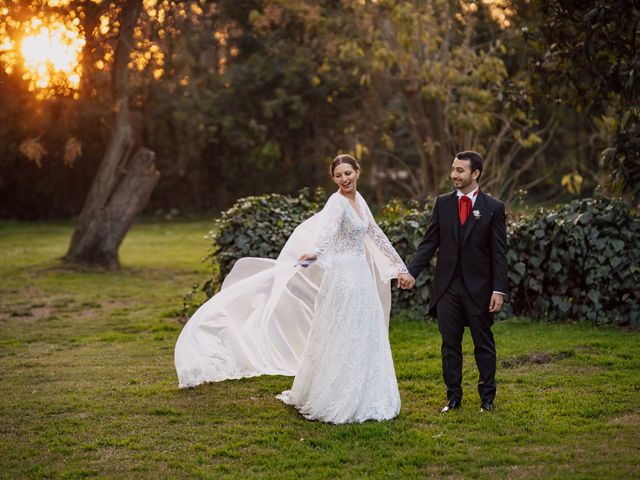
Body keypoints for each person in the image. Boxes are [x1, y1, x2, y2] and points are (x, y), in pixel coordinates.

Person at [175, 154, 412, 424]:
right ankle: (335, 395)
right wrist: (312, 255)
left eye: (348, 173)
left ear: (358, 172)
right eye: (338, 175)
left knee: (364, 332)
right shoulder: (336, 202)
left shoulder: (359, 201)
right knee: (342, 331)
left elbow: (376, 234)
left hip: (361, 278)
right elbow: (326, 235)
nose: (344, 179)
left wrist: (400, 267)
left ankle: (368, 393)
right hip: (343, 278)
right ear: (333, 179)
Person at [399, 151, 508, 413]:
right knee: (450, 345)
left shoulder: (493, 207)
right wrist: (411, 271)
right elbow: (429, 243)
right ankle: (453, 398)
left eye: (460, 170)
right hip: (447, 287)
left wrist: (499, 290)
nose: (454, 175)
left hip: (480, 289)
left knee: (484, 343)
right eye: (453, 169)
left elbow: (499, 253)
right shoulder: (443, 203)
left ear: (475, 174)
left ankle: (487, 399)